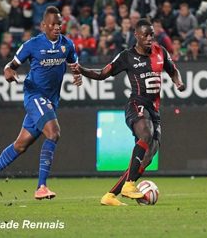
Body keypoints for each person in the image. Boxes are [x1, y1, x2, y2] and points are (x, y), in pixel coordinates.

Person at [69, 19, 185, 206]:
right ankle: (130, 185)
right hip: (136, 104)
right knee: (145, 134)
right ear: (136, 36)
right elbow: (102, 73)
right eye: (145, 35)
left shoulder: (160, 52)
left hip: (154, 110)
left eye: (151, 35)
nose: (149, 38)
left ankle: (110, 195)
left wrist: (178, 82)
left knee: (147, 157)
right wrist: (81, 70)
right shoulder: (126, 56)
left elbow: (173, 71)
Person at [0, 6, 82, 200]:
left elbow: (74, 64)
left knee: (20, 145)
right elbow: (10, 66)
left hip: (50, 101)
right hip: (34, 96)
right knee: (54, 132)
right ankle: (41, 186)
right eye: (53, 24)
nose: (57, 27)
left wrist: (77, 75)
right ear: (43, 26)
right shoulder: (32, 45)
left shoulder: (67, 45)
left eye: (59, 24)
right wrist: (9, 73)